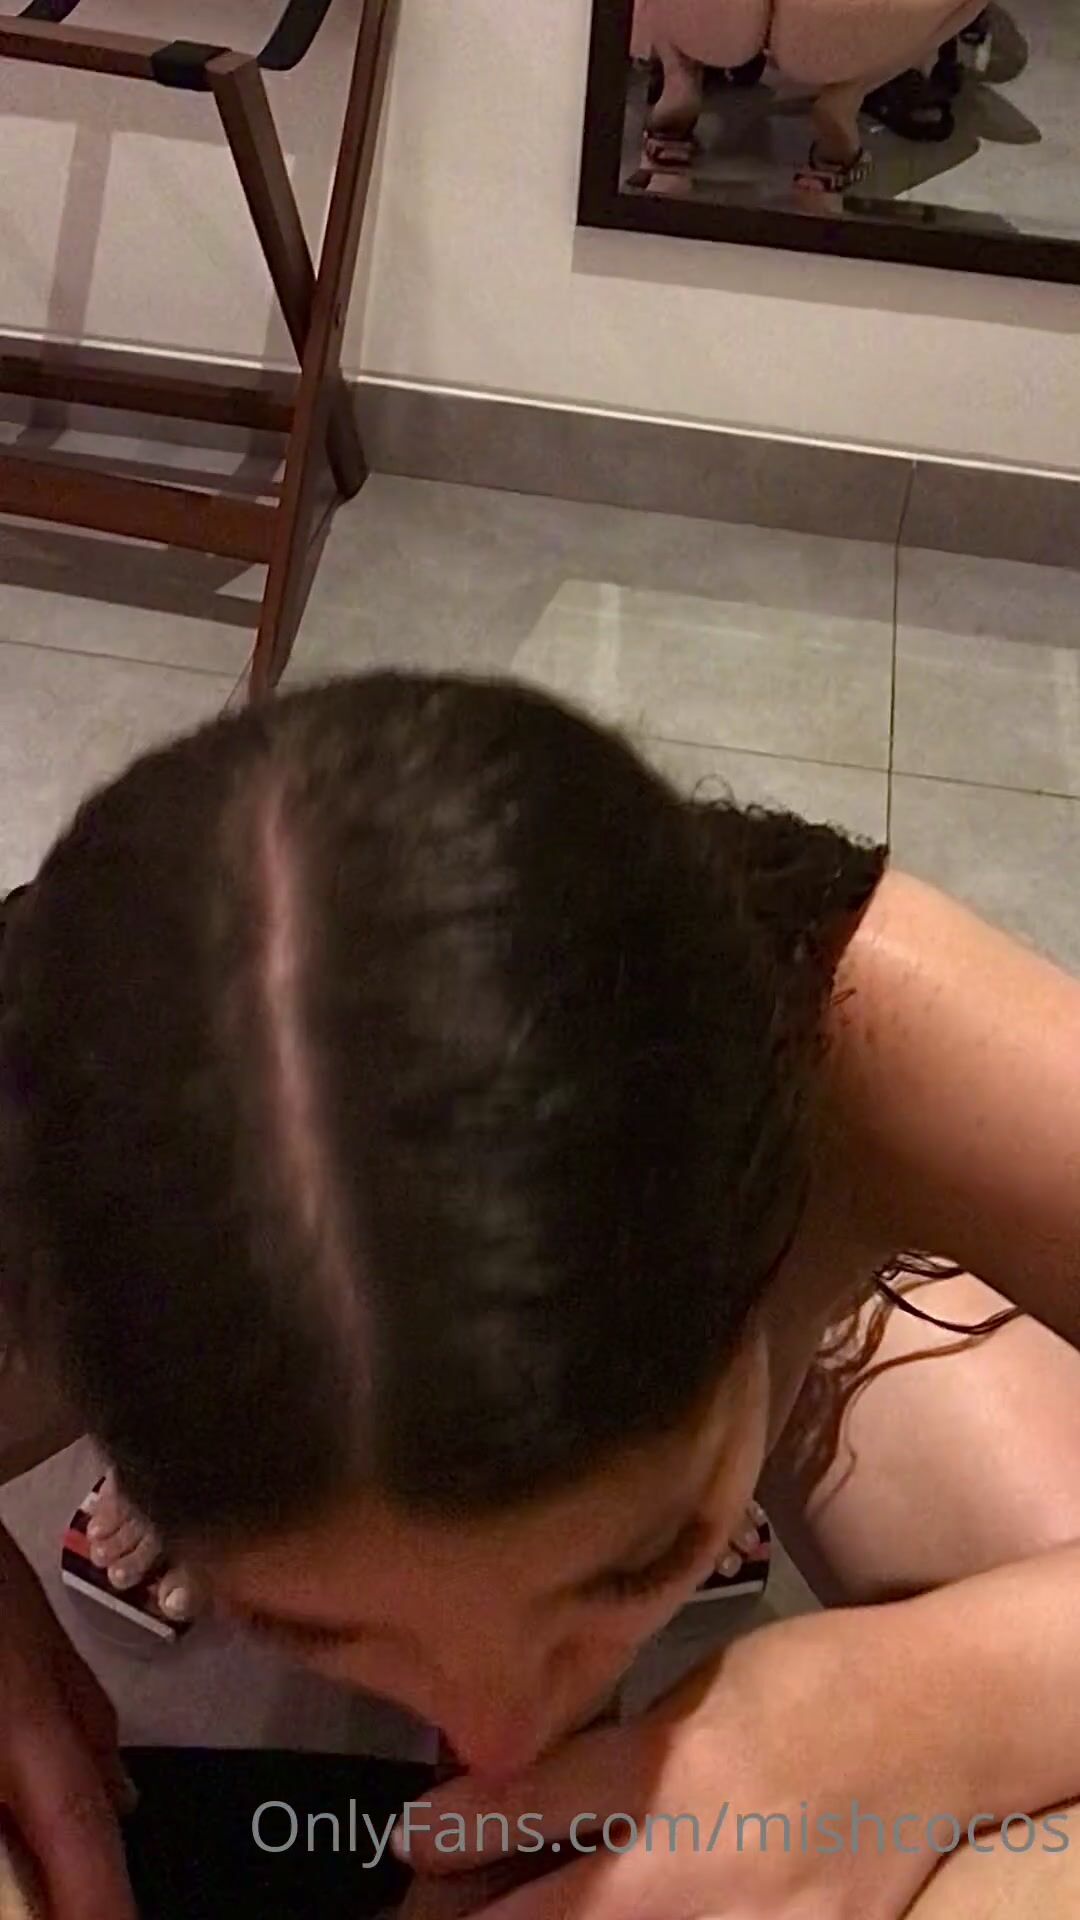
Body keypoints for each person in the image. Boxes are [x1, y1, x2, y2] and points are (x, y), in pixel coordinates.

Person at [2, 670, 1080, 1920]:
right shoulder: (44, 1147)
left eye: (638, 1557)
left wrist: (916, 1709)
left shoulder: (858, 1023)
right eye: (310, 1622)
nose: (497, 1735)